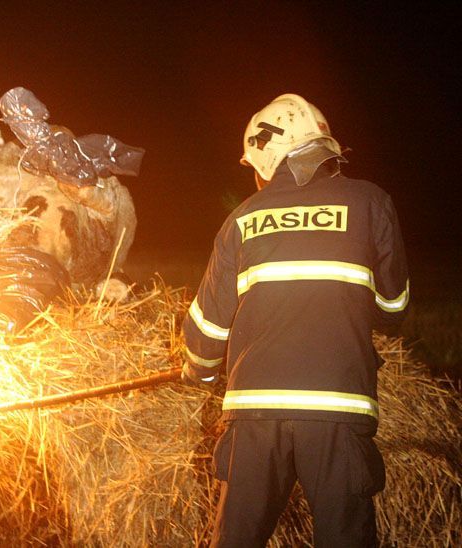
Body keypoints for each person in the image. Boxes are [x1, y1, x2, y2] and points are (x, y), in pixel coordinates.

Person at [181, 93, 409, 547]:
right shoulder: (369, 203)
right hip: (339, 409)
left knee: (236, 539)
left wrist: (200, 374)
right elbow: (393, 306)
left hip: (254, 414)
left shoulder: (242, 218)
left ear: (263, 158)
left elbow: (206, 329)